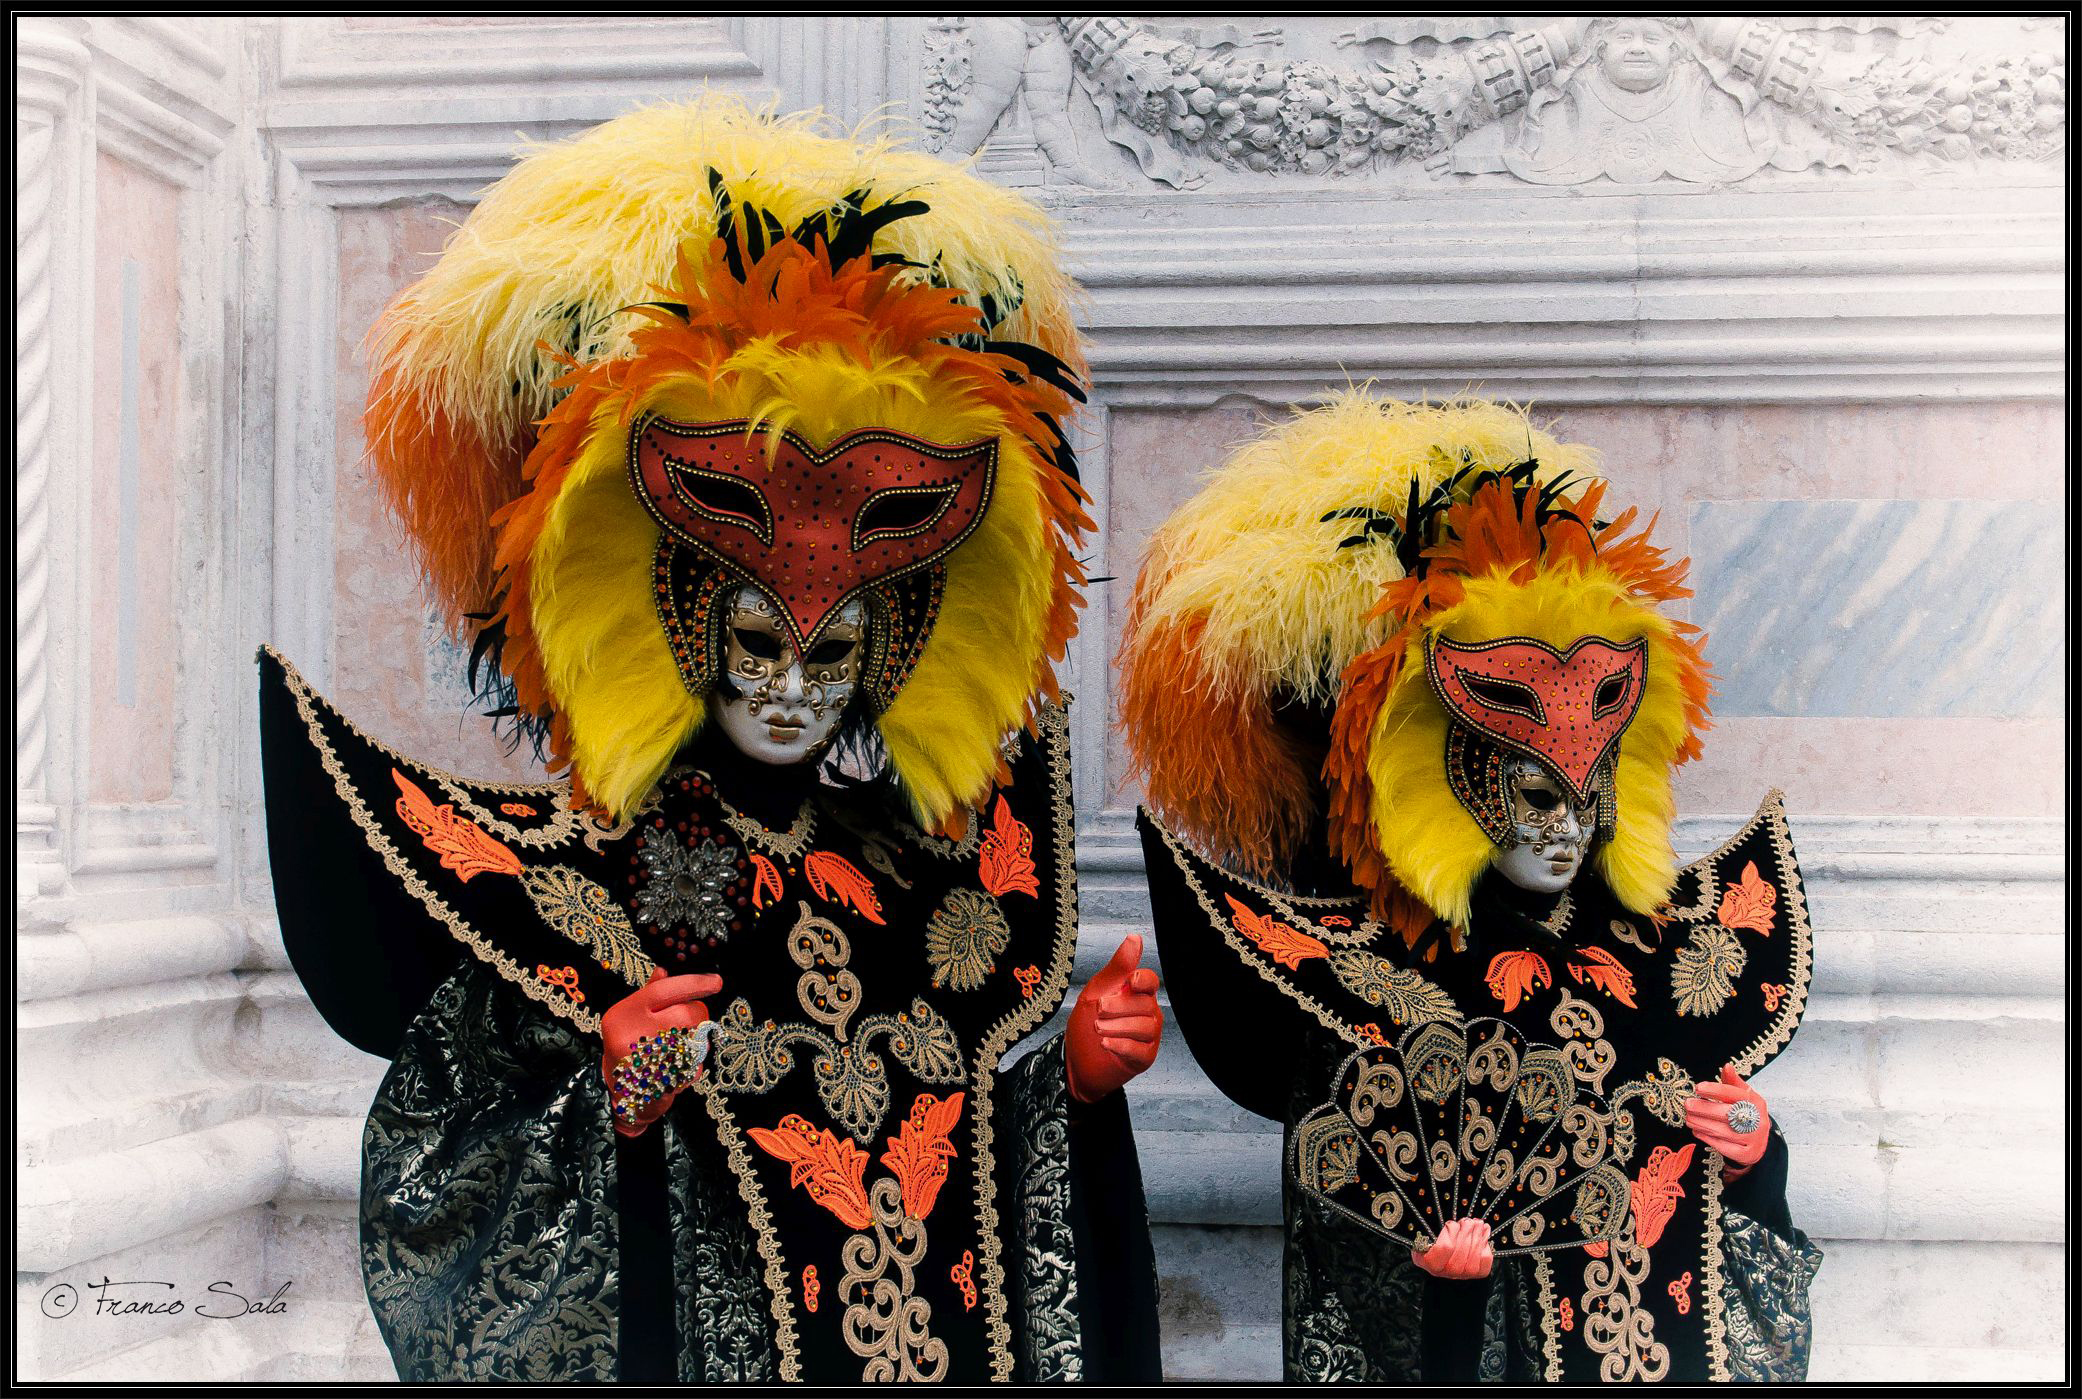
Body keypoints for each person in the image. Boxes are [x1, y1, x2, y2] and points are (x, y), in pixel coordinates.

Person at [258, 96, 1163, 1383]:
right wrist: (604, 1112)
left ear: (891, 650)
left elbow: (953, 1175)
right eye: (758, 643)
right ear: (684, 621)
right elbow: (445, 1176)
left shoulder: (920, 883)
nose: (793, 688)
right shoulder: (569, 887)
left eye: (833, 652)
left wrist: (1068, 1084)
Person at [1119, 393, 1820, 1381]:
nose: (1565, 822)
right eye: (1534, 788)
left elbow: (1718, 1232)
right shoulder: (1377, 981)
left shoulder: (1669, 949)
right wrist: (1444, 1298)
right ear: (1456, 772)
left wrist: (1754, 1157)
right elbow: (1356, 1265)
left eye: (1589, 788)